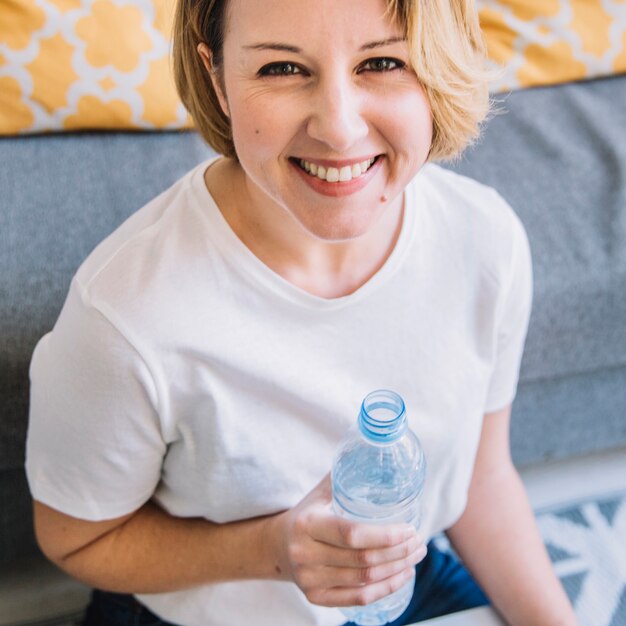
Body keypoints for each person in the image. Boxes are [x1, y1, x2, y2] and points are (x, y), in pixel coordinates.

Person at [25, 0, 579, 624]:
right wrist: (274, 550)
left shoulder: (487, 241)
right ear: (217, 80)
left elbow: (478, 478)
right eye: (283, 69)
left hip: (401, 582)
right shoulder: (123, 317)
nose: (339, 128)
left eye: (383, 61)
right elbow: (78, 537)